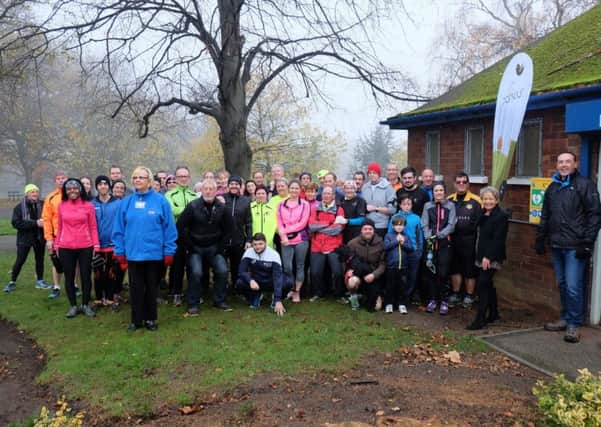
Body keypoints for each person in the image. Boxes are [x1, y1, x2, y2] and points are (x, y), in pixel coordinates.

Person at [536, 152, 601, 343]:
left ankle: (574, 323)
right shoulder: (553, 187)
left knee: (573, 286)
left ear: (575, 164)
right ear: (557, 164)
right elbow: (545, 215)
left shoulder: (584, 185)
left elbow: (595, 215)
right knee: (562, 284)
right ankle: (565, 318)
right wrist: (540, 239)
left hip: (575, 246)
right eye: (560, 161)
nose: (564, 165)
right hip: (556, 244)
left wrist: (587, 242)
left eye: (567, 162)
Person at [112, 166, 177, 332]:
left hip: (154, 254)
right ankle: (136, 320)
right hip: (133, 253)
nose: (138, 180)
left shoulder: (161, 201)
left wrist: (169, 250)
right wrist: (119, 251)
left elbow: (169, 228)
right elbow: (118, 228)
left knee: (151, 288)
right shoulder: (127, 202)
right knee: (135, 288)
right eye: (135, 178)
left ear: (149, 181)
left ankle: (150, 318)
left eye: (141, 177)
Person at [177, 179, 231, 313]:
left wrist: (221, 247)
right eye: (205, 189)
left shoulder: (222, 208)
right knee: (196, 272)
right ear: (201, 191)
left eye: (211, 189)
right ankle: (193, 304)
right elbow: (180, 226)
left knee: (223, 271)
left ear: (215, 191)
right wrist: (190, 246)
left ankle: (219, 301)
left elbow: (230, 228)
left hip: (214, 247)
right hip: (195, 247)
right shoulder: (192, 206)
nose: (208, 191)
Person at [56, 178, 99, 318]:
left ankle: (85, 304)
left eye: (75, 188)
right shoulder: (61, 206)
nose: (72, 191)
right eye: (69, 189)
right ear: (65, 191)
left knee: (86, 276)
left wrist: (96, 245)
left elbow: (93, 226)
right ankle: (73, 305)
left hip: (85, 246)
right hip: (65, 247)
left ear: (80, 189)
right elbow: (60, 227)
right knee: (69, 277)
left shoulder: (88, 206)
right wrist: (57, 244)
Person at [466, 187, 509, 330]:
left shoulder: (501, 216)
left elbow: (498, 240)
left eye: (491, 199)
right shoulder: (483, 213)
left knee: (482, 285)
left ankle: (480, 319)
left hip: (491, 257)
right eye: (485, 199)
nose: (488, 201)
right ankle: (494, 313)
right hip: (480, 254)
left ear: (496, 200)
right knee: (488, 284)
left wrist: (488, 257)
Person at [4, 184, 50, 293]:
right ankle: (12, 282)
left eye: (36, 192)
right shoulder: (19, 207)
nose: (35, 194)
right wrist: (35, 223)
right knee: (20, 260)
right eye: (32, 192)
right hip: (24, 238)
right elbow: (16, 223)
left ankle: (40, 281)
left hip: (39, 237)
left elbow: (48, 217)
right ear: (27, 194)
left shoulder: (43, 205)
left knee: (40, 260)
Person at [421, 181, 456, 315]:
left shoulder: (450, 206)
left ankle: (444, 300)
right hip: (430, 243)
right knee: (431, 272)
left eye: (441, 190)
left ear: (444, 192)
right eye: (436, 190)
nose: (439, 193)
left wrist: (439, 235)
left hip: (444, 243)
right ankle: (433, 299)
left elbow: (451, 225)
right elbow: (424, 223)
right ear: (433, 192)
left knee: (443, 272)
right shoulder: (427, 206)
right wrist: (429, 236)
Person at [448, 172, 482, 308]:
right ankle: (456, 293)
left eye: (464, 182)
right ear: (454, 184)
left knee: (470, 270)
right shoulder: (449, 200)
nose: (461, 184)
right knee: (454, 268)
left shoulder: (477, 201)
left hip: (470, 241)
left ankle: (469, 295)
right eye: (458, 182)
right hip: (453, 240)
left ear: (468, 184)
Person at [165, 165, 198, 306]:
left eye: (185, 176)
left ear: (189, 178)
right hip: (176, 234)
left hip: (193, 234)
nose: (183, 179)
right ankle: (176, 292)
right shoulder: (169, 195)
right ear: (176, 178)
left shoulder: (194, 195)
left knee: (192, 264)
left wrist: (186, 211)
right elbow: (172, 211)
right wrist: (190, 209)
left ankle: (193, 292)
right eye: (180, 176)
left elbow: (199, 213)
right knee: (177, 265)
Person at [235, 233, 289, 316]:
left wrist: (278, 299)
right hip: (256, 282)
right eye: (255, 244)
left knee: (288, 281)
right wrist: (250, 280)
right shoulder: (248, 252)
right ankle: (255, 296)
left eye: (260, 244)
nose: (257, 247)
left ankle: (276, 298)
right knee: (239, 283)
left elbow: (277, 277)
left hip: (270, 282)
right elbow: (241, 271)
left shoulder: (274, 254)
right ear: (252, 244)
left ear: (265, 243)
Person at [308, 186, 346, 301]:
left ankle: (339, 295)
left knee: (338, 272)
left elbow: (338, 229)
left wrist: (319, 228)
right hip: (317, 245)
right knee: (315, 272)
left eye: (329, 194)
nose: (326, 196)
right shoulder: (316, 209)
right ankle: (317, 294)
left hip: (334, 245)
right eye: (324, 193)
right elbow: (311, 226)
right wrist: (329, 222)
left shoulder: (339, 209)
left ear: (333, 196)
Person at [276, 180, 311, 302]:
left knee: (300, 266)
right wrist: (283, 236)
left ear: (300, 190)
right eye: (292, 188)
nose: (294, 190)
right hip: (286, 240)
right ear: (288, 189)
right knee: (287, 267)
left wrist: (286, 230)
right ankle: (289, 288)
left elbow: (303, 223)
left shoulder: (305, 204)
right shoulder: (281, 205)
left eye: (297, 188)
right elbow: (279, 222)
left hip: (301, 239)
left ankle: (297, 292)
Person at [342, 219, 386, 311]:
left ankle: (365, 296)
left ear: (374, 230)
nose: (367, 231)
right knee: (352, 281)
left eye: (370, 229)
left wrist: (374, 275)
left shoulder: (381, 244)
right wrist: (348, 270)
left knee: (377, 307)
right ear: (361, 230)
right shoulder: (352, 243)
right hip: (357, 274)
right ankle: (354, 297)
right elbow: (345, 260)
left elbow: (383, 263)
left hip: (373, 275)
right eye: (365, 229)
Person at [91, 175, 121, 309]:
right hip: (97, 246)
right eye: (100, 184)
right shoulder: (92, 204)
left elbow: (121, 223)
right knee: (98, 274)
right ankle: (98, 299)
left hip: (112, 245)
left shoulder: (117, 203)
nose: (103, 186)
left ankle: (110, 298)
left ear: (109, 186)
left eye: (105, 184)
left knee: (111, 273)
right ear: (96, 187)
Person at [388, 195, 423, 304]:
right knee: (400, 275)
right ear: (400, 205)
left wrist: (419, 250)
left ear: (412, 205)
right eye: (404, 204)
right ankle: (398, 297)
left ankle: (407, 297)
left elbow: (419, 235)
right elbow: (390, 233)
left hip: (413, 250)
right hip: (398, 250)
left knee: (412, 275)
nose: (406, 206)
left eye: (409, 204)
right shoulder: (395, 217)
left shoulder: (416, 218)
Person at [222, 176, 252, 287]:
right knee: (222, 267)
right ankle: (222, 286)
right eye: (232, 184)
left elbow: (249, 222)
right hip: (223, 239)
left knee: (237, 266)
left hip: (238, 239)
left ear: (240, 186)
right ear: (228, 185)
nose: (234, 186)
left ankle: (237, 287)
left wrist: (249, 239)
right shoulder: (221, 198)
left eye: (236, 184)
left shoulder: (246, 200)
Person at [42, 172, 67, 299]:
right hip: (57, 236)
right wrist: (49, 238)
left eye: (63, 178)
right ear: (55, 181)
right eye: (58, 179)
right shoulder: (51, 197)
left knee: (75, 262)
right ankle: (57, 286)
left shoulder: (73, 194)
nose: (61, 181)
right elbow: (46, 219)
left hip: (72, 235)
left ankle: (74, 284)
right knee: (57, 262)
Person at [383, 216, 413, 314]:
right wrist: (396, 241)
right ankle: (389, 304)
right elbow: (386, 247)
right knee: (390, 286)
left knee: (402, 286)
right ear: (393, 226)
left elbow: (410, 248)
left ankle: (402, 304)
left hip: (403, 267)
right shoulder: (388, 235)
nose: (399, 227)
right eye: (397, 225)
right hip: (391, 266)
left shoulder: (406, 237)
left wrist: (403, 242)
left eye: (401, 225)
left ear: (404, 226)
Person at [361, 162, 396, 238]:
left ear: (379, 174)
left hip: (381, 226)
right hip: (367, 227)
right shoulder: (365, 187)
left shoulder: (388, 188)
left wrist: (375, 208)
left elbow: (392, 210)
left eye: (374, 172)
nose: (372, 175)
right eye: (369, 173)